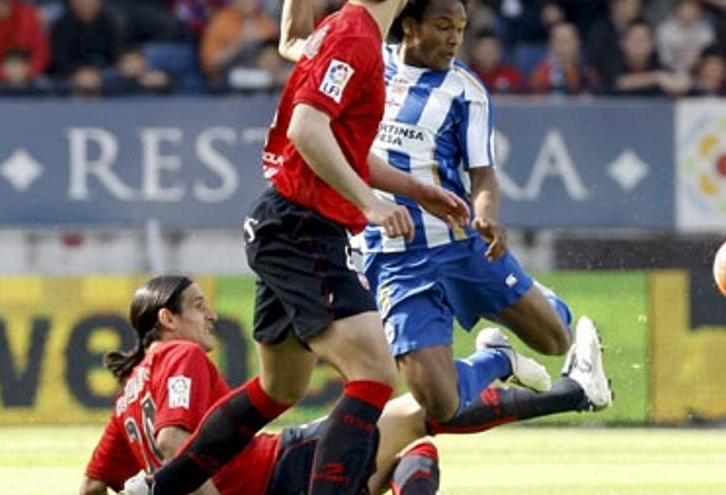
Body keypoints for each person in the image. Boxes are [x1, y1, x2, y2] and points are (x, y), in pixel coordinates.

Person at [125, 0, 471, 493]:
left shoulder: (353, 32)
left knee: (279, 387)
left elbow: (334, 130)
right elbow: (306, 128)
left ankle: (164, 487)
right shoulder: (354, 35)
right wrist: (370, 204)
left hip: (286, 223)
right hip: (303, 226)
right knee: (372, 372)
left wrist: (416, 190)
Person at [276, 2, 612, 490]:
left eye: (460, 28)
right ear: (408, 25)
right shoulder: (362, 57)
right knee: (440, 402)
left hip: (458, 243)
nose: (455, 37)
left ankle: (534, 309)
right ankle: (497, 358)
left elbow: (483, 173)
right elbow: (294, 39)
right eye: (443, 26)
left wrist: (486, 212)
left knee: (555, 340)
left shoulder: (466, 91)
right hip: (394, 259)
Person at [81, 275, 442, 495]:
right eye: (198, 306)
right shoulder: (179, 353)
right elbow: (173, 441)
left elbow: (92, 486)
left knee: (401, 449)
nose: (212, 315)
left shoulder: (126, 399)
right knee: (421, 412)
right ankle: (496, 363)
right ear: (167, 318)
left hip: (279, 477)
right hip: (281, 468)